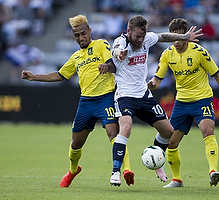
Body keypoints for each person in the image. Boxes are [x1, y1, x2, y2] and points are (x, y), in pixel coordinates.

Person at [21, 14, 134, 187]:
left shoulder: (101, 44)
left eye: (83, 34)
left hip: (106, 99)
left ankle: (125, 169)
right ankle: (73, 170)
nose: (81, 38)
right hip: (86, 103)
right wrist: (34, 77)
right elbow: (60, 75)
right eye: (77, 36)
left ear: (90, 31)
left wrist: (107, 67)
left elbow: (112, 63)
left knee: (114, 133)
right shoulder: (76, 57)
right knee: (75, 143)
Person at [104, 15, 203, 186]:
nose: (141, 40)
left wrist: (184, 37)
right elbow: (116, 50)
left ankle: (156, 158)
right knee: (125, 128)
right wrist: (119, 53)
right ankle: (115, 172)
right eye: (137, 36)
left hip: (143, 95)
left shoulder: (146, 40)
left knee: (168, 131)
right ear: (129, 32)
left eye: (143, 36)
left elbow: (164, 36)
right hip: (125, 96)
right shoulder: (121, 42)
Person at [148, 18, 219, 188]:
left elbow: (218, 74)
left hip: (202, 99)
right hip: (181, 103)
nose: (176, 41)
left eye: (180, 36)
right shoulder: (167, 54)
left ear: (186, 35)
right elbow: (157, 78)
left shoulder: (199, 52)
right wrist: (153, 83)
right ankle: (177, 180)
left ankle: (213, 171)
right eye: (173, 37)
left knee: (207, 130)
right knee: (172, 142)